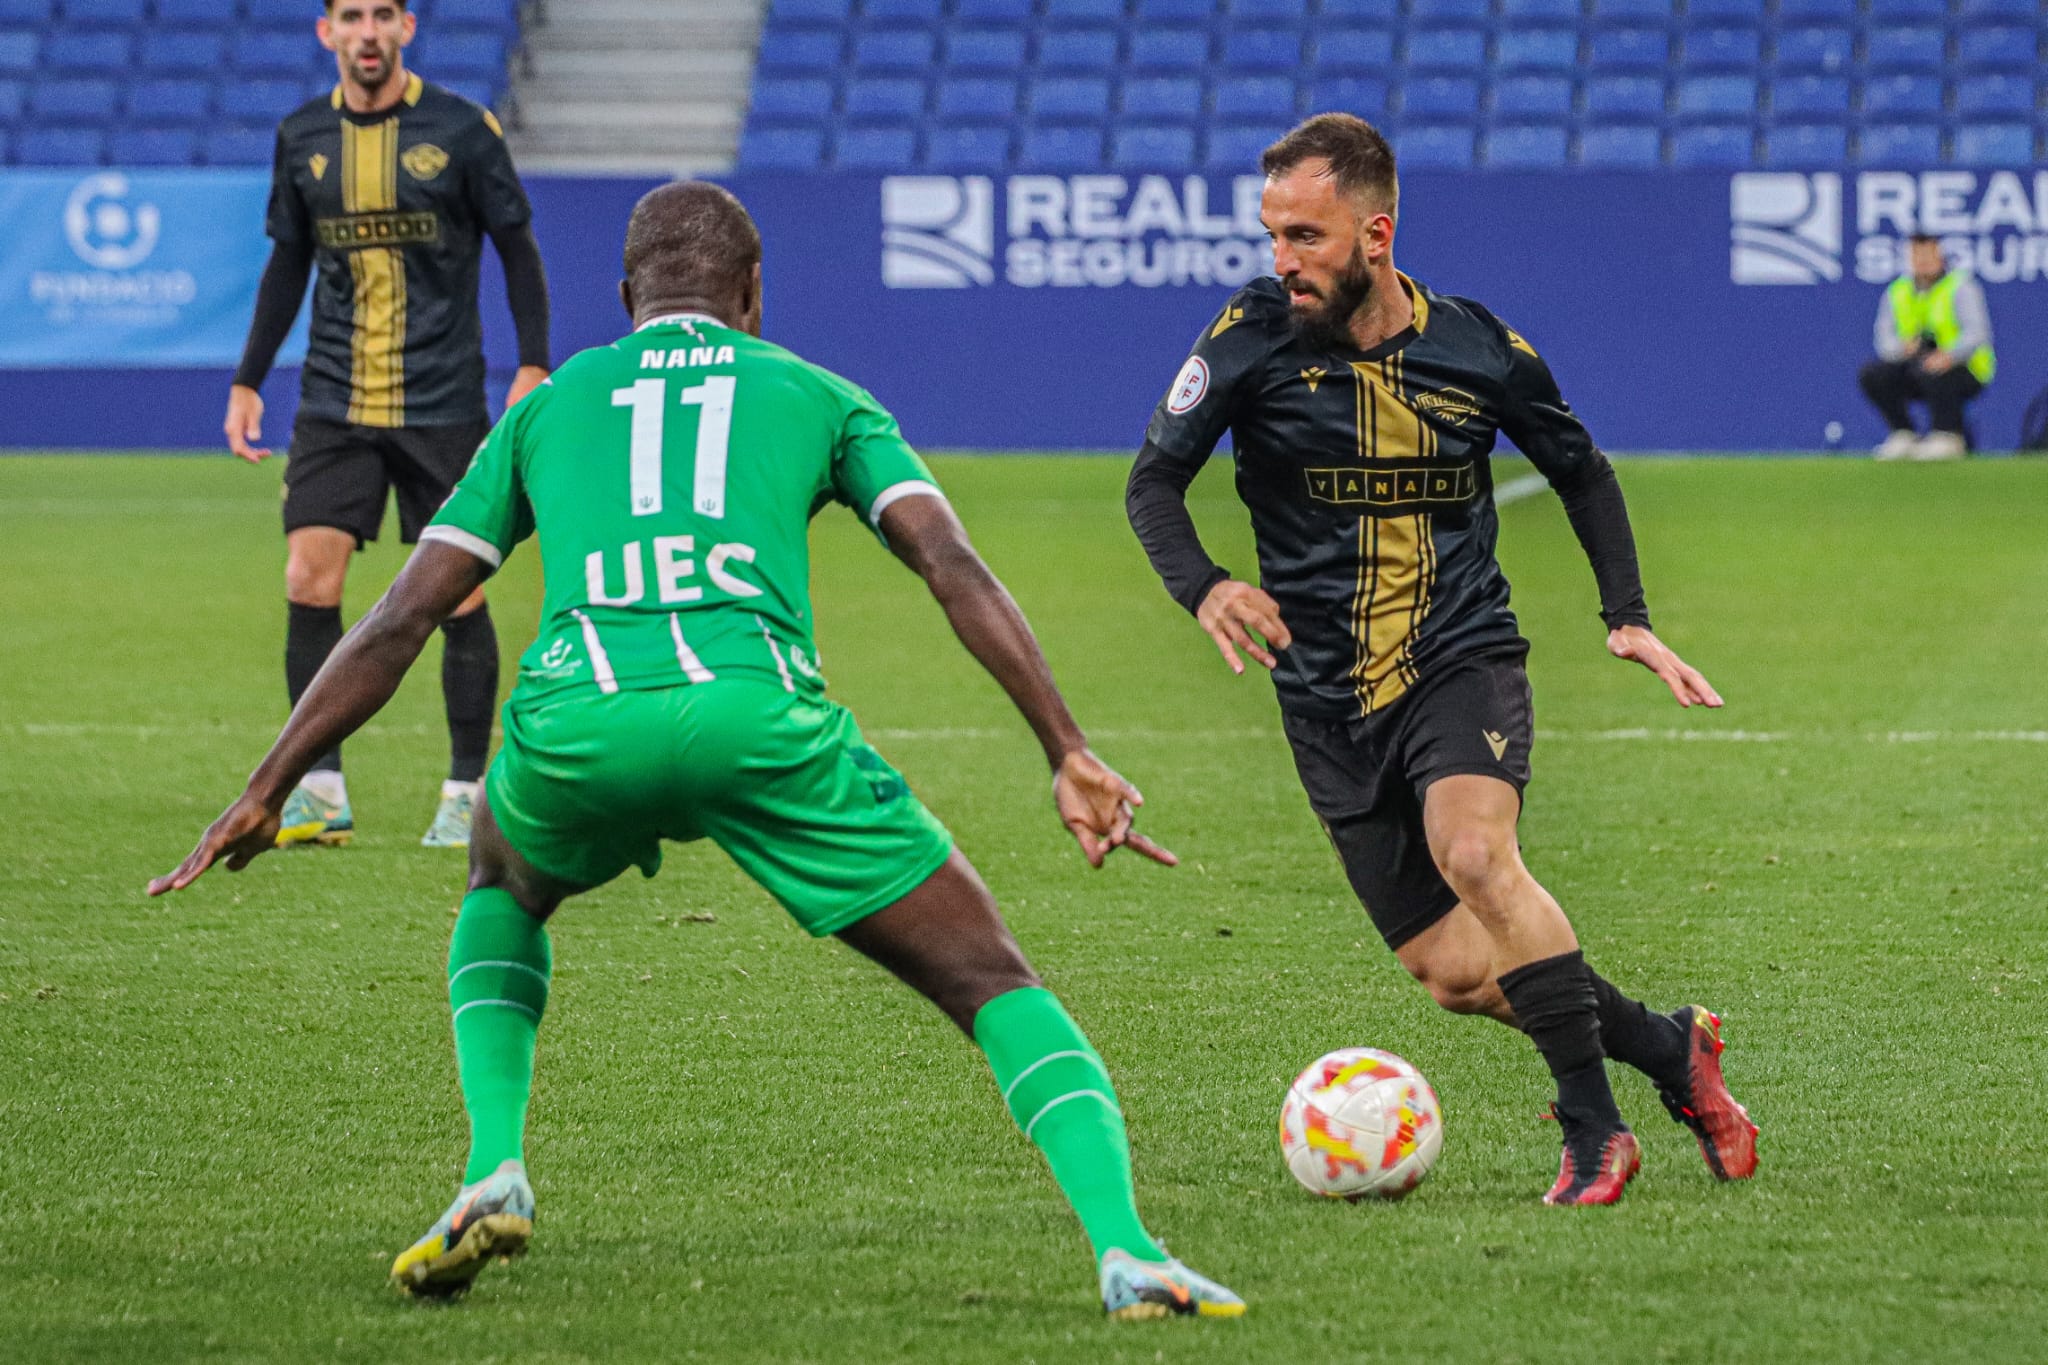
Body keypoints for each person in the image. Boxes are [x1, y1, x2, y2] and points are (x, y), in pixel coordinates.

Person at [153, 182, 1244, 1320]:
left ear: (628, 299)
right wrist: (1063, 747)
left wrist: (266, 787)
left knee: (502, 879)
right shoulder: (820, 394)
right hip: (759, 724)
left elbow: (397, 620)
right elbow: (950, 566)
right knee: (989, 979)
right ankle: (1124, 1250)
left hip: (579, 724)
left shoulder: (551, 403)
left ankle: (493, 1167)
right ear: (753, 293)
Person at [1125, 114, 1757, 1206]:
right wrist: (1206, 585)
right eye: (1273, 235)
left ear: (1374, 233)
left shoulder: (1474, 349)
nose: (1284, 261)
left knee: (1474, 853)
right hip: (1323, 698)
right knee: (1458, 973)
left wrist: (1626, 613)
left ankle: (1593, 1132)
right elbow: (1151, 485)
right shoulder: (1242, 341)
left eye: (1307, 237)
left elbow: (1580, 468)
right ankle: (1669, 1050)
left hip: (1457, 655)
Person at [224, 0, 554, 849]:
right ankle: (319, 786)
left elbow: (517, 247)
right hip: (336, 397)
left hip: (443, 400)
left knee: (460, 591)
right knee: (309, 579)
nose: (366, 33)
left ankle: (466, 788)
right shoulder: (302, 137)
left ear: (407, 28)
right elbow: (288, 261)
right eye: (350, 17)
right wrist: (249, 378)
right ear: (326, 32)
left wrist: (532, 361)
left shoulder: (463, 129)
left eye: (382, 15)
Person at [1859, 233, 1995, 462]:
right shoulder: (1898, 291)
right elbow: (1883, 341)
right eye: (1916, 255)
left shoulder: (1960, 287)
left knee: (1935, 370)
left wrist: (1949, 355)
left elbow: (1978, 333)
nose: (1922, 261)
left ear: (1940, 256)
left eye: (1928, 254)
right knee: (1873, 374)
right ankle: (1903, 434)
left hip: (1963, 368)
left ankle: (1947, 435)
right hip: (1914, 365)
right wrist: (1904, 349)